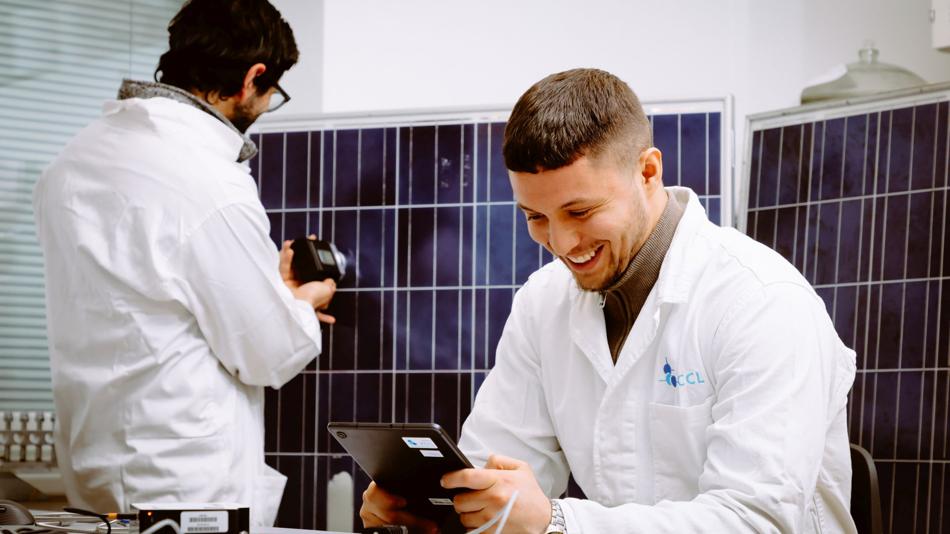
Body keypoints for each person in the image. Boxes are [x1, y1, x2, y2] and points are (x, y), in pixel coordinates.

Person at [361, 68, 857, 533]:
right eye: (535, 216)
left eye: (581, 211)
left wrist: (556, 522)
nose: (561, 242)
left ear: (647, 171)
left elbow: (754, 521)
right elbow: (497, 467)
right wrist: (436, 511)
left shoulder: (762, 302)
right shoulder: (543, 304)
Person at [32, 0, 336, 526]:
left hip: (92, 474)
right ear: (252, 76)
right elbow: (266, 352)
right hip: (185, 490)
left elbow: (152, 301)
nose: (265, 106)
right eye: (271, 94)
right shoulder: (208, 181)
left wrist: (268, 292)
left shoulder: (71, 163)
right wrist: (301, 301)